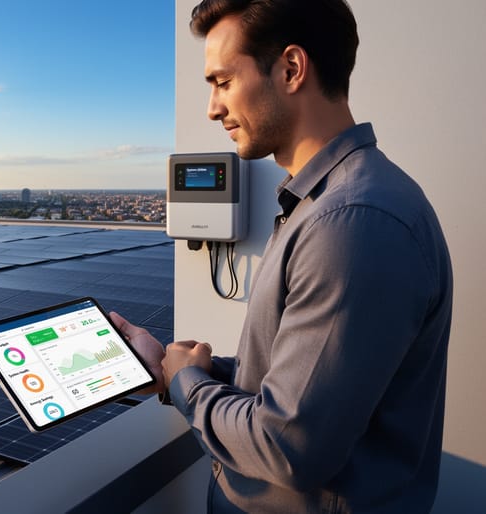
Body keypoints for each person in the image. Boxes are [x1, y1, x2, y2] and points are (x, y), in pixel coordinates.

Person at [111, 0, 453, 512]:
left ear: (291, 69)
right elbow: (302, 386)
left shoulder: (353, 222)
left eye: (223, 82)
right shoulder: (328, 206)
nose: (211, 107)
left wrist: (188, 385)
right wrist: (169, 369)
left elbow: (288, 445)